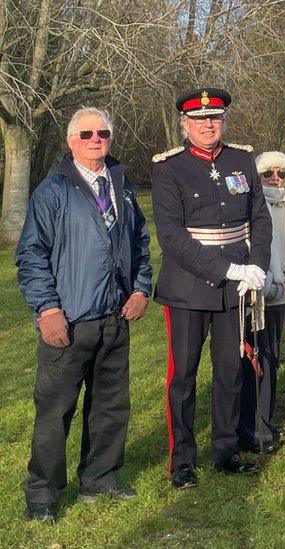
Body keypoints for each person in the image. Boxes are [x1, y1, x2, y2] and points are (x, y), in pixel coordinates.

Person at [16, 107, 152, 521]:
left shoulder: (122, 185)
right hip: (69, 321)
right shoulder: (53, 190)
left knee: (110, 407)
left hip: (115, 318)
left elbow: (140, 243)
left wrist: (142, 288)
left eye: (103, 133)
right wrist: (47, 308)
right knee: (55, 412)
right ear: (71, 141)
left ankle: (100, 480)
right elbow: (31, 255)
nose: (96, 139)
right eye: (87, 133)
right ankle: (42, 494)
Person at [152, 88, 272, 489]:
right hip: (188, 287)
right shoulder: (170, 168)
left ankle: (227, 449)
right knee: (183, 377)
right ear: (185, 125)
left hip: (235, 289)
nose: (208, 124)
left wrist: (257, 267)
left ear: (223, 121)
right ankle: (182, 460)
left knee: (230, 371)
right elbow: (171, 237)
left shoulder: (242, 160)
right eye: (200, 119)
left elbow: (260, 219)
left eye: (215, 118)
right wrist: (230, 269)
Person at [236, 151, 285, 450]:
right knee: (251, 359)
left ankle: (264, 423)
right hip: (256, 291)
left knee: (271, 357)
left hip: (282, 290)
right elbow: (250, 244)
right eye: (268, 174)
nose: (275, 179)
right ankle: (246, 426)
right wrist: (266, 281)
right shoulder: (250, 202)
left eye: (281, 174)